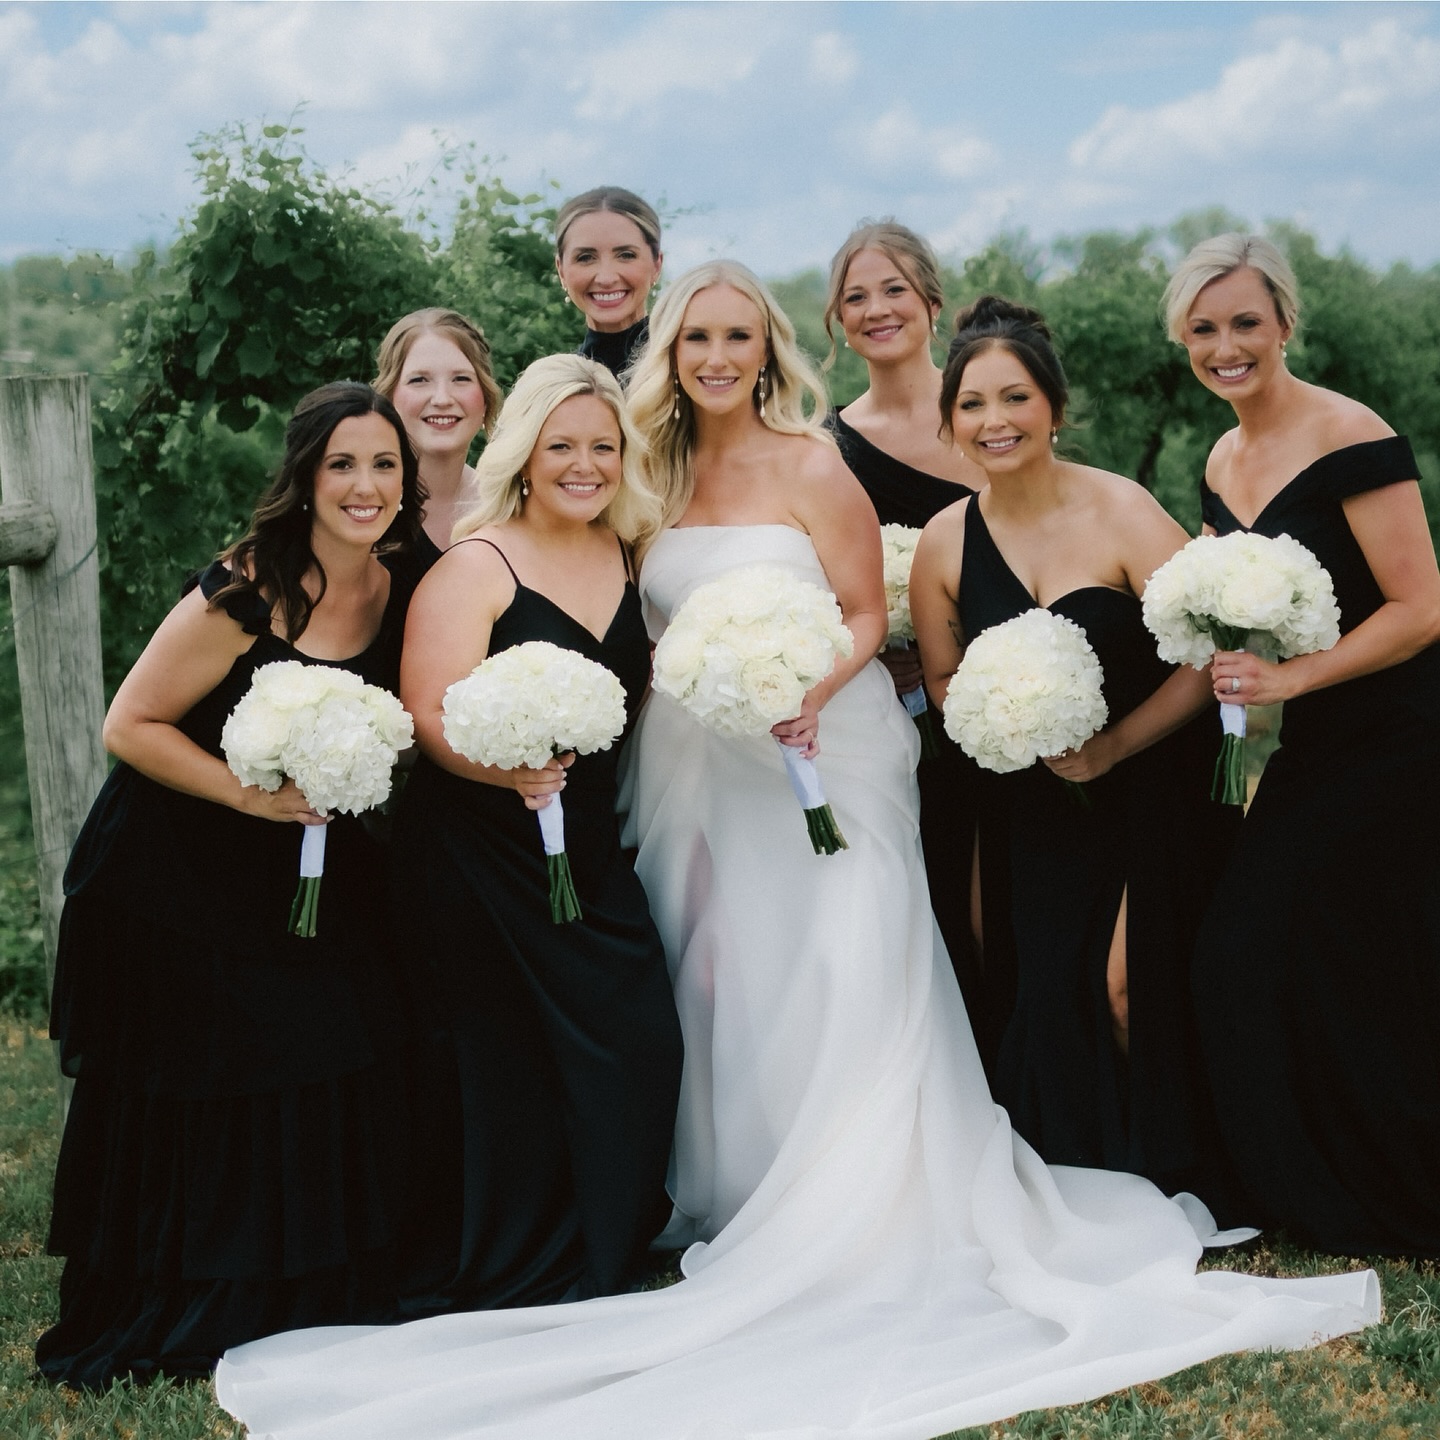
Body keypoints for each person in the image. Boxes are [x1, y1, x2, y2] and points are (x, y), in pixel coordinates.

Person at [216, 267, 1376, 1440]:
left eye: (739, 334)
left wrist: (810, 685)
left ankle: (868, 1197)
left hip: (823, 744)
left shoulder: (814, 458)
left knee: (848, 953)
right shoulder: (644, 466)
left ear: (769, 348)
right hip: (692, 762)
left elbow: (866, 617)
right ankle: (733, 1183)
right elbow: (599, 595)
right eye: (698, 335)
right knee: (720, 969)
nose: (717, 354)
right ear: (668, 349)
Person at [37, 383, 426, 1389]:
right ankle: (190, 1297)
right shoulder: (247, 586)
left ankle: (305, 1288)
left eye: (384, 464)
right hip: (176, 871)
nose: (365, 485)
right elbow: (130, 725)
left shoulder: (397, 585)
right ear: (304, 475)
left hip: (302, 878)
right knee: (211, 1079)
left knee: (325, 1049)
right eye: (343, 463)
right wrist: (252, 803)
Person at [909, 296, 1240, 1206]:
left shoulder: (1121, 508)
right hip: (1037, 803)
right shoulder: (945, 541)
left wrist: (1114, 746)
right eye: (972, 405)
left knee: (1129, 984)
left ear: (1053, 407)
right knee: (1058, 991)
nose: (994, 421)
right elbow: (942, 683)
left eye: (1014, 398)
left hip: (1152, 784)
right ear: (950, 423)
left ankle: (1183, 1167)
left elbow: (1206, 652)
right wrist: (1006, 716)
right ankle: (1092, 1178)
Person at [386, 353, 683, 1314]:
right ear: (524, 452)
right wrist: (505, 770)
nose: (584, 464)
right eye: (562, 445)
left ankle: (611, 1237)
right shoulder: (478, 564)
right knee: (511, 1055)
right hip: (487, 850)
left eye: (603, 446)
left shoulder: (629, 553)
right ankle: (527, 1250)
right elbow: (427, 715)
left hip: (592, 841)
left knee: (635, 1037)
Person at [1168, 234, 1440, 1257]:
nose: (1226, 345)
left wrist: (1291, 682)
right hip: (1311, 739)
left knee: (1323, 955)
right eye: (1204, 328)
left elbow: (1421, 607)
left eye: (1245, 322)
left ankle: (1381, 1188)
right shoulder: (1220, 458)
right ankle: (1312, 1183)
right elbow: (1241, 630)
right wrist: (1245, 730)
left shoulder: (1349, 434)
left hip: (1401, 734)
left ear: (1284, 323)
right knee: (1273, 956)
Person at [823, 220, 988, 1049]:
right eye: (856, 296)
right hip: (888, 715)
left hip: (997, 697)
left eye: (893, 290)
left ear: (931, 300)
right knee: (921, 907)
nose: (876, 309)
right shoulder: (826, 446)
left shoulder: (988, 413)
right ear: (836, 319)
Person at [374, 306, 502, 569]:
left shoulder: (509, 507)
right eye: (420, 380)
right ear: (389, 398)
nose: (442, 399)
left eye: (461, 379)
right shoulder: (362, 501)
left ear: (486, 400)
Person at [554, 186, 663, 378]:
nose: (606, 278)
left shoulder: (686, 368)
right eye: (586, 257)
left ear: (656, 265)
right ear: (561, 270)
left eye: (626, 255)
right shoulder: (554, 385)